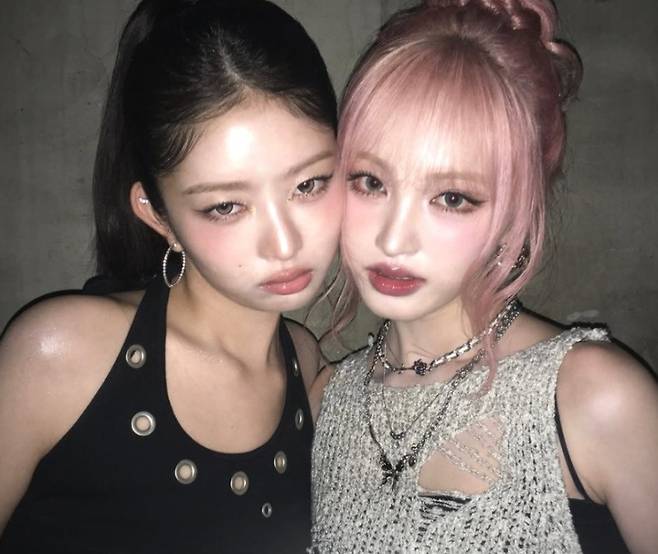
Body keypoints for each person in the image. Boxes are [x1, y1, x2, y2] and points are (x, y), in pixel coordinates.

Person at [311, 0, 658, 552]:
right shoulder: (327, 403)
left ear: (515, 211)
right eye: (371, 182)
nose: (394, 239)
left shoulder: (596, 399)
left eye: (452, 197)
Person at [0, 0, 341, 552]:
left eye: (309, 185)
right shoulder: (59, 355)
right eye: (226, 206)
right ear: (159, 216)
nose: (285, 244)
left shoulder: (306, 365)